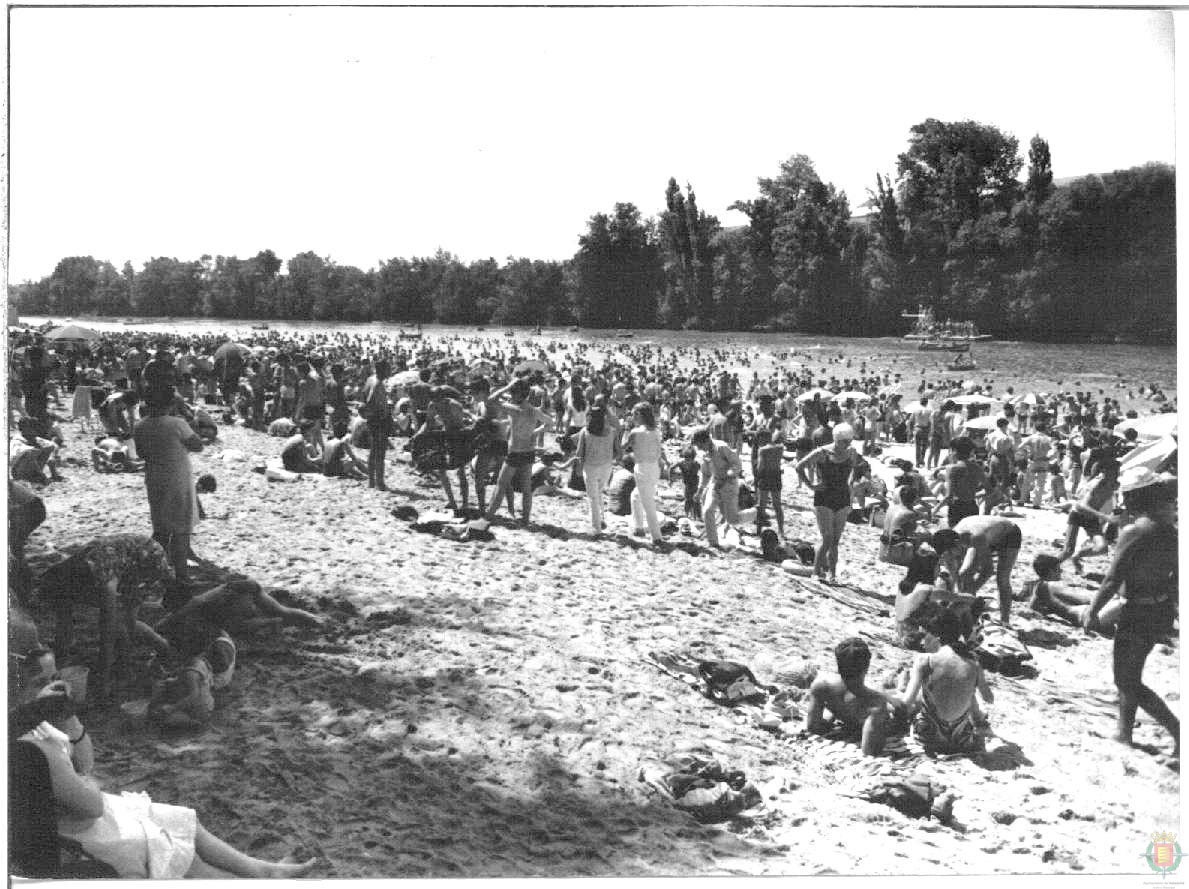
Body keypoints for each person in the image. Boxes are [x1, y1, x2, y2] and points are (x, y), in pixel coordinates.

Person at [10, 693, 318, 878]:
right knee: (179, 853)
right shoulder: (31, 747)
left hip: (83, 815)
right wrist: (87, 779)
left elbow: (82, 757)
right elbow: (90, 799)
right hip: (76, 836)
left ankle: (261, 870)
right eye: (44, 679)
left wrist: (70, 720)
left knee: (184, 822)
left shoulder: (34, 725)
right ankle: (251, 880)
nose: (54, 688)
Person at [1081, 471, 1179, 759]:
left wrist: (1092, 610)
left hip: (1137, 610)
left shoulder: (1135, 531)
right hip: (1159, 609)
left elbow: (1113, 579)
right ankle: (1124, 732)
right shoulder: (1168, 530)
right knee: (1130, 673)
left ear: (1136, 497)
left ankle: (1177, 731)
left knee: (1126, 678)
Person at [38, 535, 174, 700]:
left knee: (122, 622)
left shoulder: (102, 574)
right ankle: (126, 663)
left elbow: (107, 632)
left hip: (146, 556)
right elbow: (64, 628)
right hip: (122, 557)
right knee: (120, 621)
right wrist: (58, 665)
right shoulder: (63, 583)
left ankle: (159, 648)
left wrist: (104, 678)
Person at [133, 389, 204, 586]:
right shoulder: (177, 424)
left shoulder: (140, 426)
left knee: (161, 528)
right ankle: (181, 576)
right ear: (170, 405)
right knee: (181, 529)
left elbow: (141, 454)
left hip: (155, 478)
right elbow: (198, 445)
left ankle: (153, 573)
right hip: (178, 479)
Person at [900, 609, 993, 754]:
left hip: (929, 737)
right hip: (961, 741)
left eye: (925, 635)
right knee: (969, 694)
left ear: (937, 636)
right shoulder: (973, 663)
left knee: (914, 695)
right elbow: (989, 698)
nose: (923, 641)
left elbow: (906, 703)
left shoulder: (926, 660)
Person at [805, 637, 901, 756]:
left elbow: (813, 726)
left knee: (890, 696)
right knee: (901, 704)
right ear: (866, 668)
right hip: (883, 713)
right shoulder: (875, 701)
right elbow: (870, 751)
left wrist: (836, 721)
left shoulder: (821, 685)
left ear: (838, 665)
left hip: (854, 710)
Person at [796, 423, 861, 583]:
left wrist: (851, 485)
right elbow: (799, 466)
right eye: (844, 442)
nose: (847, 445)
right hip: (824, 497)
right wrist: (811, 486)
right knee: (827, 538)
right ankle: (816, 572)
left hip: (842, 497)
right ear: (837, 439)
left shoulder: (851, 452)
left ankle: (832, 574)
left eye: (849, 441)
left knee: (835, 541)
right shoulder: (822, 452)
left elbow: (854, 470)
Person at [484, 377, 553, 526]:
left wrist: (507, 386)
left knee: (501, 484)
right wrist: (535, 432)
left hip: (514, 452)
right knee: (526, 489)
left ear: (518, 395)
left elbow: (490, 401)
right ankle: (526, 519)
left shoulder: (514, 410)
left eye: (513, 394)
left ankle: (489, 515)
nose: (511, 396)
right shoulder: (533, 411)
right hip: (528, 452)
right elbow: (550, 423)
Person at [935, 515, 1022, 627]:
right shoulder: (949, 540)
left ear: (957, 544)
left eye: (952, 553)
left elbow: (988, 570)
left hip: (1009, 534)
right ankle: (968, 614)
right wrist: (957, 595)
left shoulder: (976, 538)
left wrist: (967, 594)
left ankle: (1005, 621)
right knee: (965, 574)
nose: (951, 557)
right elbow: (956, 574)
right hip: (985, 532)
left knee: (1002, 579)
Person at [1025, 553, 1122, 631]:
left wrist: (1056, 610)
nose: (1061, 571)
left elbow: (1033, 607)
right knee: (1126, 599)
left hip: (1086, 619)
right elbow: (1085, 600)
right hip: (1090, 617)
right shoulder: (1051, 585)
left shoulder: (1039, 588)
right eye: (1058, 569)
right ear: (1050, 571)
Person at [1056, 456, 1120, 573]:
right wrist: (1103, 516)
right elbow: (1082, 505)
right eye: (1114, 471)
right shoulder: (1097, 483)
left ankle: (1078, 556)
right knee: (1067, 551)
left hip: (1091, 518)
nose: (1116, 473)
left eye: (1117, 471)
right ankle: (1050, 566)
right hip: (1078, 515)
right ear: (1105, 471)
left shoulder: (1114, 484)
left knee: (1102, 548)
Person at [692, 425, 743, 550]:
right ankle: (713, 543)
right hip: (715, 483)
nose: (699, 448)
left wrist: (727, 476)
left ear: (706, 440)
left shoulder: (721, 447)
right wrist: (699, 491)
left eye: (699, 445)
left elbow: (736, 464)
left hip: (729, 484)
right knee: (707, 510)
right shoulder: (705, 454)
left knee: (732, 518)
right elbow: (705, 474)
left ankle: (755, 513)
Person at [624, 401, 667, 546]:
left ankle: (656, 537)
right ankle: (639, 527)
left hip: (642, 468)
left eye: (634, 413)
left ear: (639, 415)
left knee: (648, 504)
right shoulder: (655, 431)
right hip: (654, 467)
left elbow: (624, 448)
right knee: (635, 496)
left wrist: (625, 430)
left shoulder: (635, 432)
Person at [575, 405, 618, 536]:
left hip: (590, 467)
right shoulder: (612, 431)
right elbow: (617, 452)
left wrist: (578, 468)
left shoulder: (585, 431)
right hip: (606, 467)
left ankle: (596, 527)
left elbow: (579, 453)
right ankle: (602, 518)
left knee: (593, 497)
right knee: (598, 492)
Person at [942, 436, 986, 529]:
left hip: (957, 507)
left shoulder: (952, 468)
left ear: (954, 451)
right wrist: (972, 495)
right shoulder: (977, 467)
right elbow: (989, 490)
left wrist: (935, 509)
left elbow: (948, 496)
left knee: (955, 535)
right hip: (972, 506)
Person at [360, 359, 391, 491]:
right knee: (380, 452)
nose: (390, 371)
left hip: (373, 419)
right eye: (388, 369)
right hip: (378, 420)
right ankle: (380, 482)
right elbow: (370, 400)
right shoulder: (378, 383)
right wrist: (382, 412)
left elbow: (362, 395)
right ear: (382, 370)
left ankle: (372, 481)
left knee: (373, 450)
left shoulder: (370, 379)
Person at [751, 427, 786, 537]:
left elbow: (761, 467)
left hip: (765, 478)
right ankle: (781, 531)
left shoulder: (763, 450)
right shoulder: (780, 448)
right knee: (777, 505)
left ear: (762, 438)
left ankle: (758, 530)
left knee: (762, 505)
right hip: (776, 477)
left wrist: (756, 476)